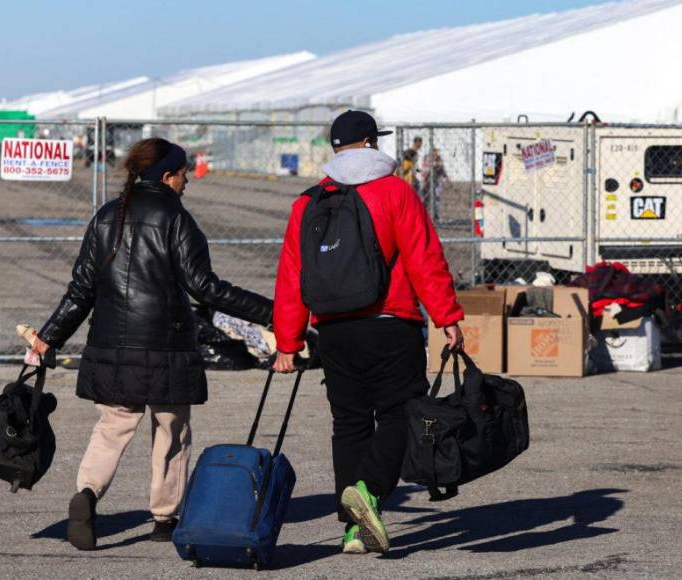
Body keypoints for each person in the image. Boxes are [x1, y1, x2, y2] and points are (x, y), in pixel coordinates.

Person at [29, 138, 273, 551]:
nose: (187, 182)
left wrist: (48, 337)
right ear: (166, 176)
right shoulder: (177, 219)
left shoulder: (106, 216)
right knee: (171, 430)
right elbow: (205, 287)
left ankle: (86, 494)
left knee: (111, 427)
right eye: (183, 174)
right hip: (167, 347)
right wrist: (271, 312)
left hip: (111, 347)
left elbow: (80, 290)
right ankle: (163, 516)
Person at [272, 110, 464, 555]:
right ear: (369, 143)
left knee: (350, 424)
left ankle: (354, 530)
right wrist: (446, 315)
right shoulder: (395, 192)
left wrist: (288, 341)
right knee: (403, 412)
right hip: (390, 323)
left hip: (334, 332)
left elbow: (292, 274)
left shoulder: (308, 202)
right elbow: (423, 257)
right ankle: (370, 491)